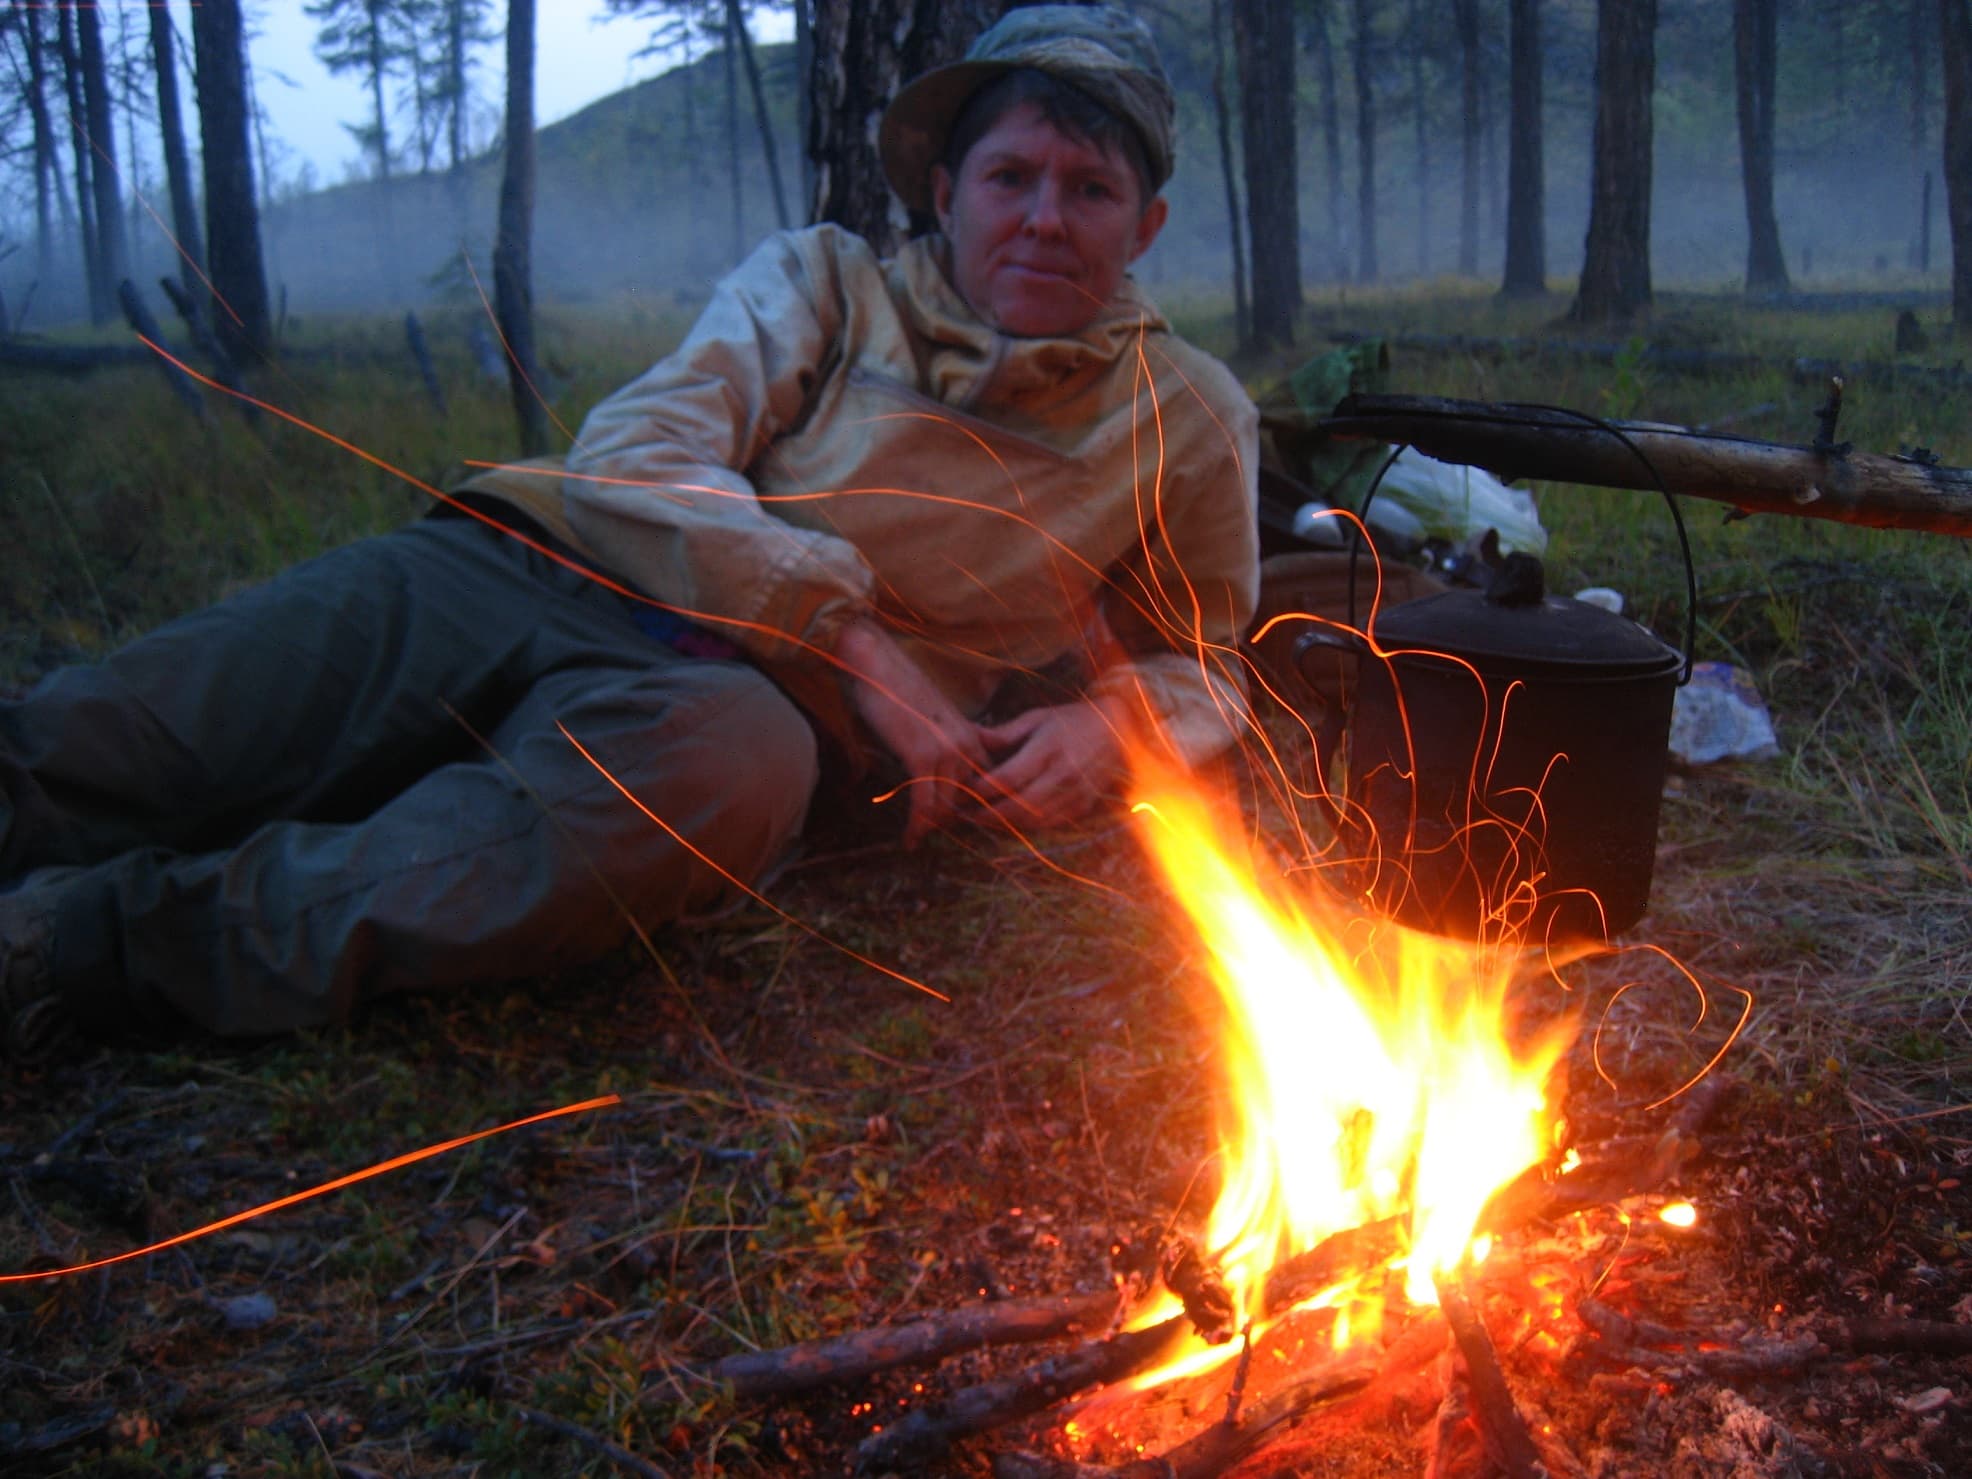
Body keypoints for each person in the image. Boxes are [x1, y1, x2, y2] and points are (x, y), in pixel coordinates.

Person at [0, 5, 1259, 1061]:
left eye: (1090, 189)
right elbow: (637, 452)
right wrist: (857, 639)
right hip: (537, 564)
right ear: (944, 192)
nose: (1044, 217)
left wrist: (1114, 725)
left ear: (1144, 224)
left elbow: (1208, 656)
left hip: (746, 720)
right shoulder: (830, 283)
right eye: (1010, 177)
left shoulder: (1188, 414)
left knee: (679, 795)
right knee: (134, 731)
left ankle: (86, 947)